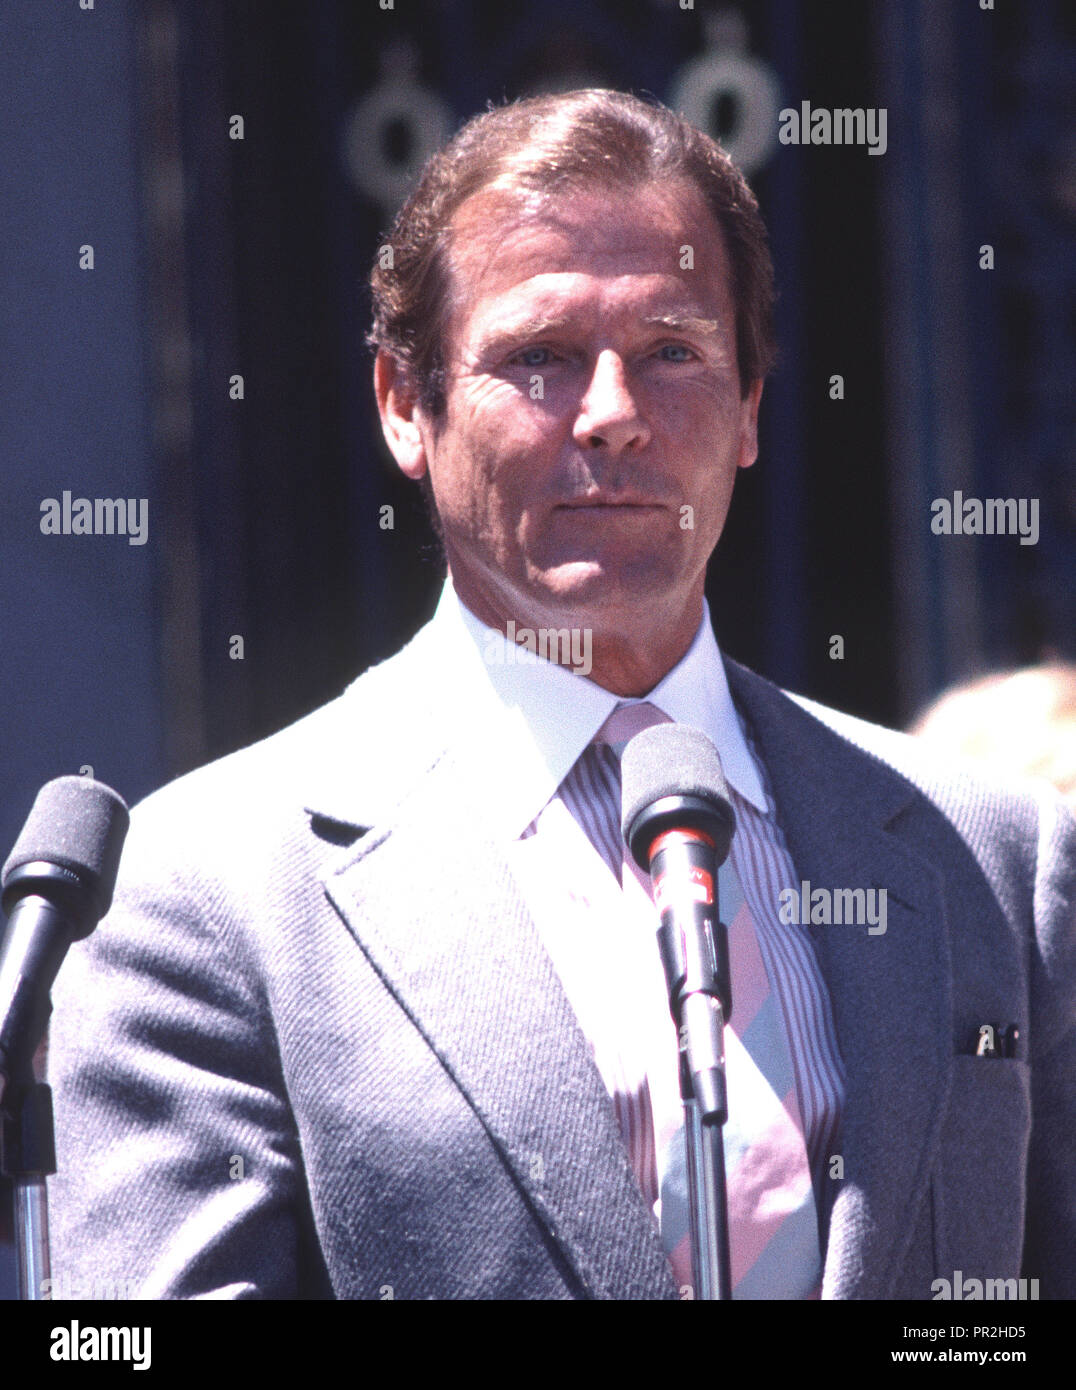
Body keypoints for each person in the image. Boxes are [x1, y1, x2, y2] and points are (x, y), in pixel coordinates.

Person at [48, 89, 1075, 1301]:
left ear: (748, 405)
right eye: (538, 359)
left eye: (673, 353)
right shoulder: (202, 898)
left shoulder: (991, 858)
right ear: (401, 405)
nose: (613, 416)